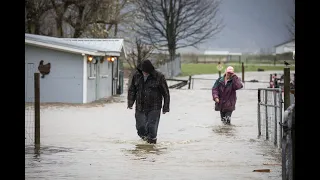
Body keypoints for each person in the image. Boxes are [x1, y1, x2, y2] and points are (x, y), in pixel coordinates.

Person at [127, 59, 170, 144]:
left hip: (154, 107)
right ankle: (145, 144)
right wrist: (130, 103)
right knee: (140, 128)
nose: (145, 73)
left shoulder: (159, 77)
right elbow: (132, 90)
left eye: (147, 71)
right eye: (144, 71)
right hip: (140, 106)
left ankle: (151, 147)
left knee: (152, 128)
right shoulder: (136, 76)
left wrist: (166, 107)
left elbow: (166, 93)